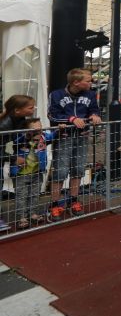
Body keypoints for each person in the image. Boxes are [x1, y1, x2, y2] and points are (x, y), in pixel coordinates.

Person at [48, 69, 102, 220]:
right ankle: (54, 205)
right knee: (60, 171)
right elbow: (52, 114)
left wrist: (95, 116)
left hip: (82, 137)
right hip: (64, 137)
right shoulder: (56, 94)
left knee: (78, 170)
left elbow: (94, 110)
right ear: (76, 82)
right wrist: (71, 119)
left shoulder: (91, 94)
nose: (91, 83)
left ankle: (73, 201)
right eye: (88, 81)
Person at [0, 95, 36, 231]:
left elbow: (12, 142)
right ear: (17, 110)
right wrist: (14, 159)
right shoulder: (4, 125)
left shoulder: (20, 120)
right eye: (30, 107)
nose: (33, 109)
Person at [12, 118, 49, 229]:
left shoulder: (44, 137)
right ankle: (22, 217)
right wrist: (27, 136)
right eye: (35, 130)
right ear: (27, 131)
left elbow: (54, 135)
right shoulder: (21, 139)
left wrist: (60, 129)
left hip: (37, 172)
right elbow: (12, 145)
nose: (39, 132)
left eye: (40, 128)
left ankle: (33, 213)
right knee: (21, 196)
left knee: (35, 194)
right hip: (21, 173)